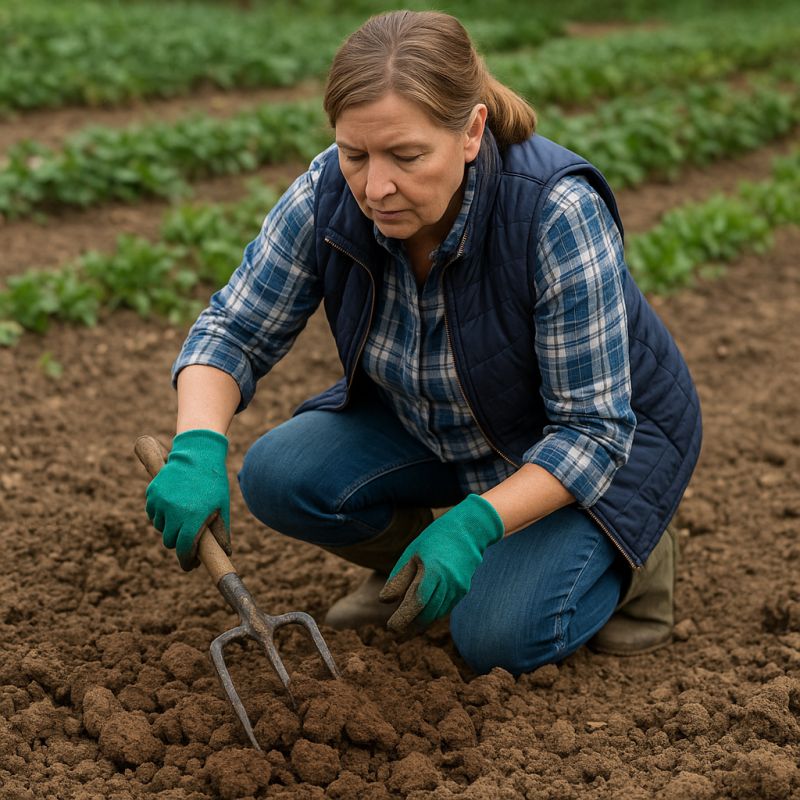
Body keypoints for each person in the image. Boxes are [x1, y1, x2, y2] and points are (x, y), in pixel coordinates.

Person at [145, 10, 702, 675]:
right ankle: (410, 574)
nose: (376, 186)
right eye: (356, 154)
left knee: (496, 637)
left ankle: (635, 554)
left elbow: (592, 430)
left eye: (406, 157)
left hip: (589, 449)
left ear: (470, 132)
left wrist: (475, 524)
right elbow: (235, 328)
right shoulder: (329, 193)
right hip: (442, 423)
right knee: (279, 475)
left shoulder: (554, 213)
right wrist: (197, 444)